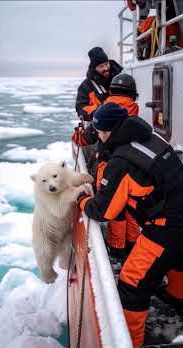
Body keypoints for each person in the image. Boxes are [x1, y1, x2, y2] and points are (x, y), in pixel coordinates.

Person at [76, 103, 183, 348]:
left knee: (132, 283)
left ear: (108, 131)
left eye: (98, 131)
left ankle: (130, 347)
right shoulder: (150, 135)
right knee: (181, 255)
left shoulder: (122, 161)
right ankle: (177, 297)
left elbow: (104, 211)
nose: (97, 135)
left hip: (168, 226)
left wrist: (82, 201)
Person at [72, 74, 141, 259]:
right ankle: (132, 247)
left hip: (109, 165)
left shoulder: (105, 111)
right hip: (132, 167)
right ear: (132, 93)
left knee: (113, 209)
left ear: (111, 90)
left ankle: (116, 250)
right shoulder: (133, 111)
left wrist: (77, 136)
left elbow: (86, 138)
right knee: (131, 210)